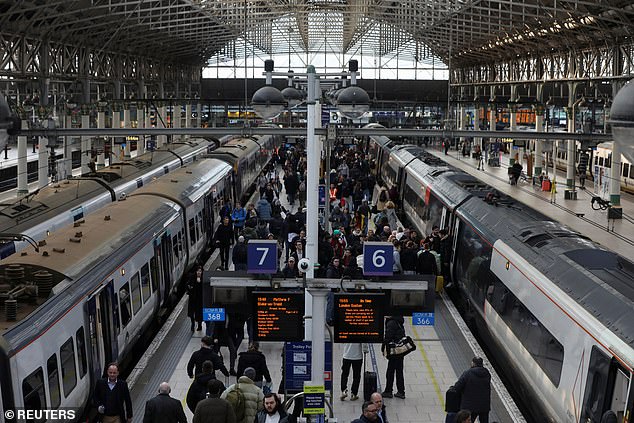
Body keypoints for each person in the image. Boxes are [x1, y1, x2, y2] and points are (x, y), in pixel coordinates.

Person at [453, 357, 491, 423]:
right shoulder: (487, 373)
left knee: (468, 420)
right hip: (484, 405)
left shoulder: (468, 373)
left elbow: (457, 387)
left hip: (469, 406)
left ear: (473, 363)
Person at [381, 316, 406, 399]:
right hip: (400, 351)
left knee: (390, 371)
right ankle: (401, 391)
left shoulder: (391, 322)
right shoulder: (398, 320)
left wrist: (383, 347)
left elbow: (388, 337)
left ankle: (388, 391)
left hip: (394, 352)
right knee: (399, 371)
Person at [187, 266, 204, 331]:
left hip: (199, 299)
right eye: (198, 271)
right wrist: (190, 287)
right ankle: (192, 323)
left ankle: (199, 325)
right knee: (191, 312)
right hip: (192, 298)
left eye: (200, 271)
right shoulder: (192, 277)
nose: (199, 272)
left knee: (199, 313)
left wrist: (200, 282)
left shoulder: (203, 278)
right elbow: (188, 284)